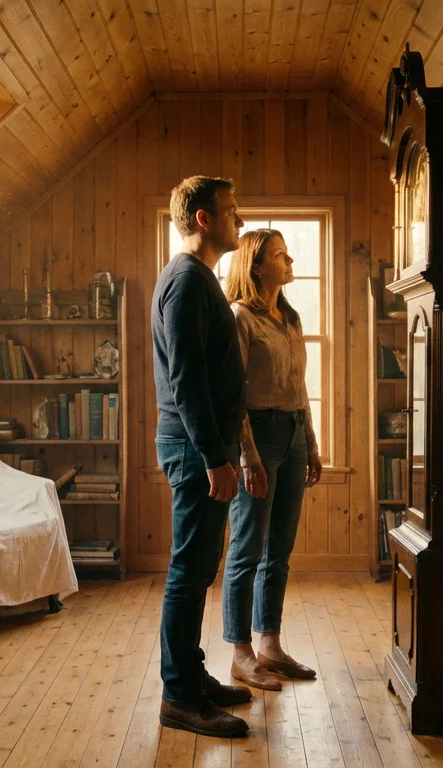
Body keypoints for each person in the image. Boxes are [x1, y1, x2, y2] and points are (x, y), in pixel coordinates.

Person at [151, 176, 252, 737]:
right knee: (188, 574)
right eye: (231, 211)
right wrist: (215, 457)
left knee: (198, 569)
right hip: (196, 449)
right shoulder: (187, 282)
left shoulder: (197, 278)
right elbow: (187, 381)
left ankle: (192, 674)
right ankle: (180, 696)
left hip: (203, 446)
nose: (239, 218)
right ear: (205, 219)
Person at [219, 229, 321, 691]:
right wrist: (247, 457)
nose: (290, 259)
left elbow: (299, 389)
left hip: (294, 433)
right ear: (257, 267)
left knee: (278, 550)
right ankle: (240, 653)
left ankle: (270, 645)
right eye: (281, 255)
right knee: (246, 548)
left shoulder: (291, 317)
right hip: (258, 436)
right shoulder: (241, 317)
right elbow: (234, 396)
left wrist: (313, 445)